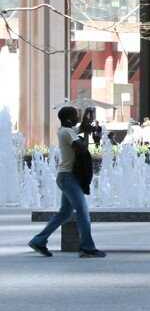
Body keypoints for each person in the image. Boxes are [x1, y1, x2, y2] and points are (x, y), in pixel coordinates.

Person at [27, 107, 104, 259]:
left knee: (65, 213)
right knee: (82, 211)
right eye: (75, 115)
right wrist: (88, 134)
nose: (77, 118)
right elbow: (81, 149)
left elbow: (79, 128)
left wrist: (86, 121)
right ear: (69, 118)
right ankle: (87, 248)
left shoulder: (66, 130)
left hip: (66, 177)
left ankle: (39, 240)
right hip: (69, 177)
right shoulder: (67, 132)